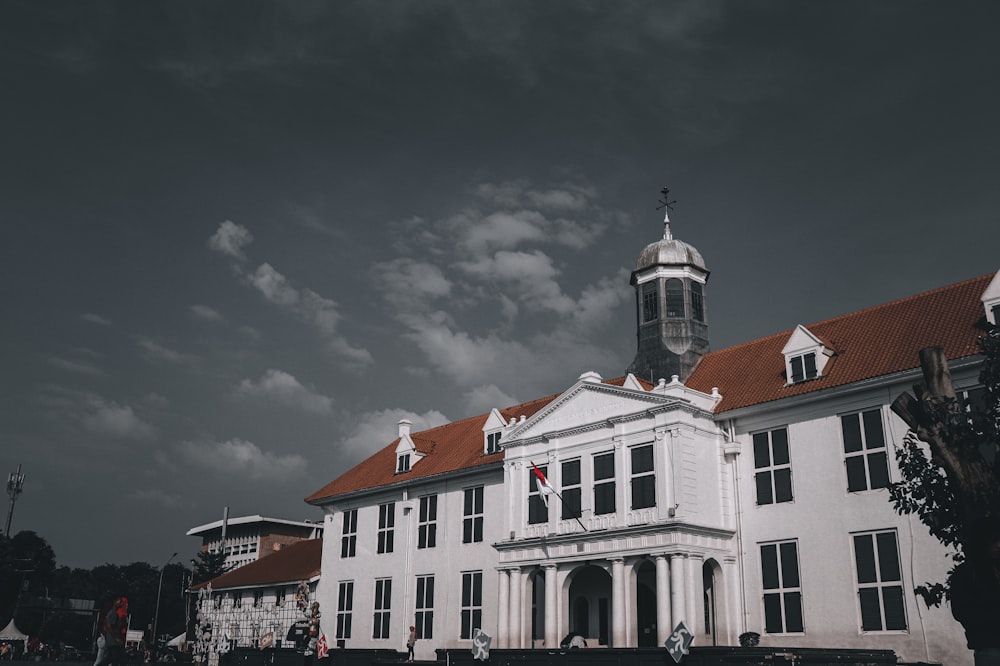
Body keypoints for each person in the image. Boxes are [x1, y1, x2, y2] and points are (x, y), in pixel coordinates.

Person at [95, 598, 125, 666]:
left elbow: (107, 627)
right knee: (113, 658)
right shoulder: (113, 613)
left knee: (111, 658)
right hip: (113, 641)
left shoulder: (112, 613)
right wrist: (116, 638)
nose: (121, 604)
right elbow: (109, 626)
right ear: (115, 602)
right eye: (120, 602)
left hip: (111, 641)